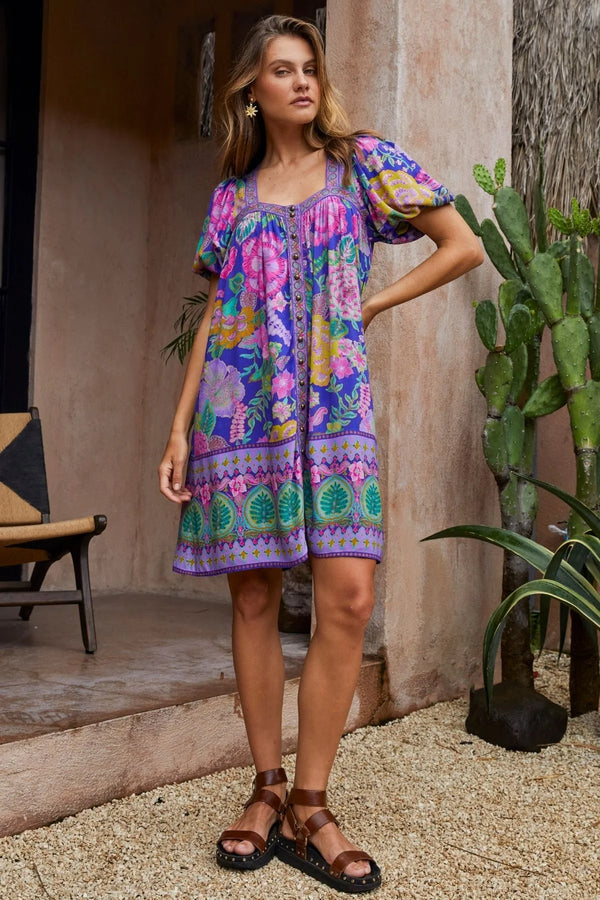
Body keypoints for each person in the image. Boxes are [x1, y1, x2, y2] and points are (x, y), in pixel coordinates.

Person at [158, 14, 482, 895]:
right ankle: (266, 787)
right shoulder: (232, 196)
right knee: (256, 594)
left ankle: (311, 800)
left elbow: (463, 246)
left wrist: (371, 311)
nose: (301, 82)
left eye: (310, 68)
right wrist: (182, 426)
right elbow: (214, 322)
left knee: (348, 597)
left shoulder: (364, 166)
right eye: (281, 71)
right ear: (252, 93)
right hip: (240, 419)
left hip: (335, 411)